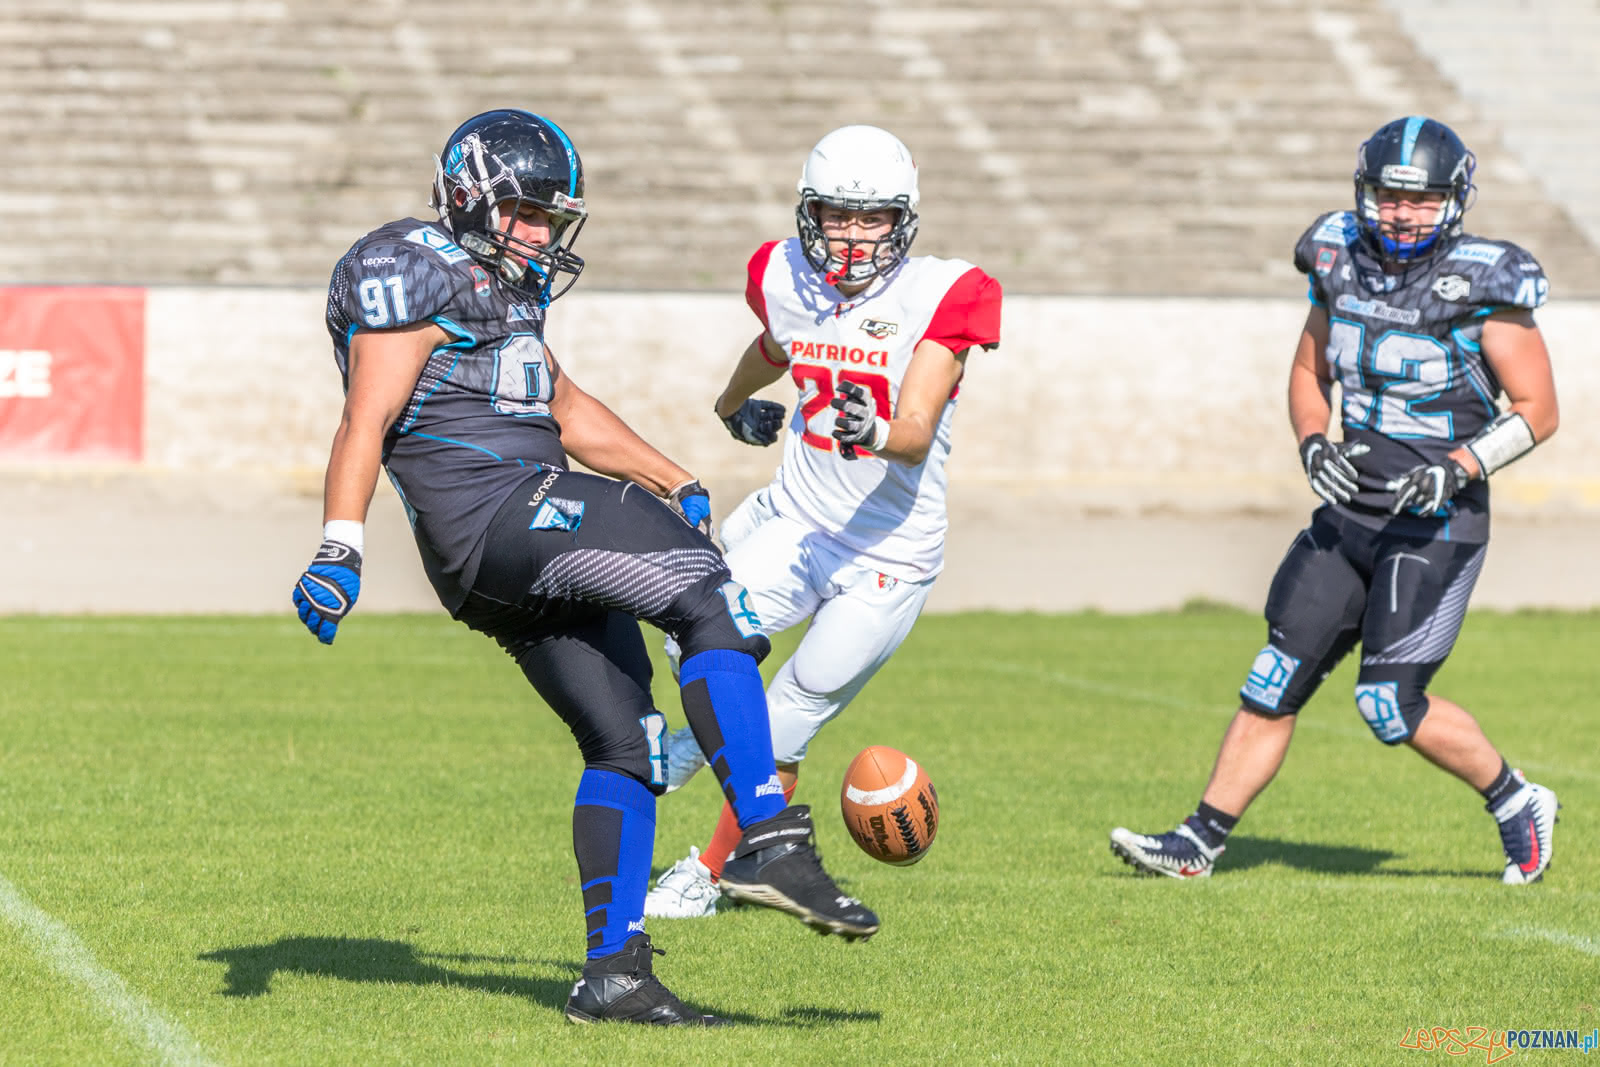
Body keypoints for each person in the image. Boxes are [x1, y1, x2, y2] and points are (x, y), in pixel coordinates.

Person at [289, 108, 880, 1027]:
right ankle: (766, 836)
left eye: (549, 217)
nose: (540, 233)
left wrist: (671, 474)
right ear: (468, 199)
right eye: (525, 213)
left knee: (625, 741)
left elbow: (561, 405)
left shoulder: (502, 291)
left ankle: (614, 975)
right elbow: (365, 417)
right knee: (708, 596)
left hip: (514, 547)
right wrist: (340, 541)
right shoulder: (406, 266)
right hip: (498, 517)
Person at [1109, 116, 1560, 884]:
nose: (1402, 214)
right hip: (1349, 514)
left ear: (1454, 201)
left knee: (1389, 703)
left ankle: (1517, 799)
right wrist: (1313, 439)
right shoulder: (1337, 257)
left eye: (1421, 199)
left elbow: (1538, 410)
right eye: (1389, 196)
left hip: (1434, 525)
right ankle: (1198, 841)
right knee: (1272, 678)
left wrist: (1458, 467)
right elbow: (1307, 371)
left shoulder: (1486, 282)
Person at [643, 125, 1002, 919]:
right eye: (838, 214)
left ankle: (713, 872)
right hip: (798, 521)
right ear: (811, 212)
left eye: (873, 218)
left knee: (782, 721)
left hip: (886, 555)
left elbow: (915, 429)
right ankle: (702, 739)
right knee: (689, 629)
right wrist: (731, 402)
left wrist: (874, 430)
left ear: (903, 221)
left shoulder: (942, 295)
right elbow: (777, 343)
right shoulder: (783, 274)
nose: (852, 235)